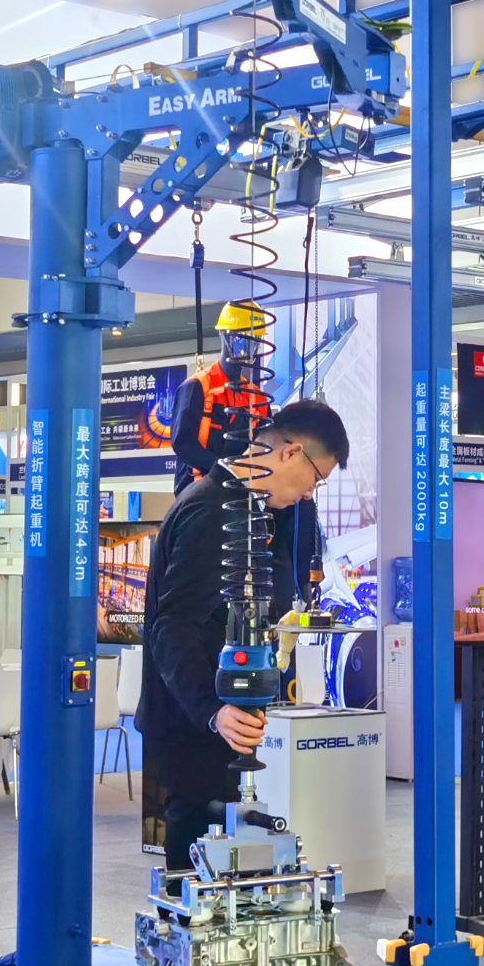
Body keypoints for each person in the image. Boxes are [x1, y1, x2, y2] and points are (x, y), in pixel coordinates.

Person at [140, 398, 342, 857]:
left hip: (220, 716)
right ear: (291, 453)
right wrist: (212, 710)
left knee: (223, 852)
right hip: (195, 723)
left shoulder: (245, 510)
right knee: (198, 858)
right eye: (316, 478)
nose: (309, 494)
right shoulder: (213, 512)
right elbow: (172, 626)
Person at [168, 302, 277, 485]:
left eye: (255, 341)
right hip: (198, 489)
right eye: (241, 339)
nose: (248, 347)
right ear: (225, 336)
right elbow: (183, 443)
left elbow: (264, 448)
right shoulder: (197, 387)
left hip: (241, 491)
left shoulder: (257, 399)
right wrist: (223, 472)